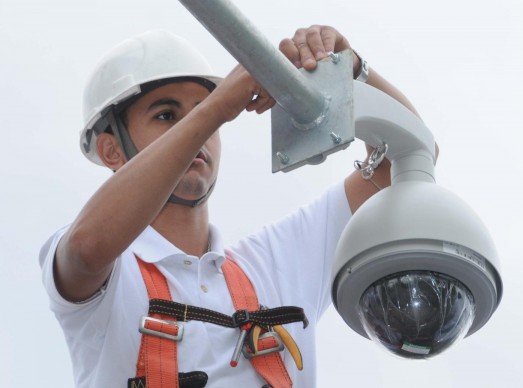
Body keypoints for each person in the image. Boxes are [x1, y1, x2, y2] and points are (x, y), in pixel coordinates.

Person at [40, 24, 424, 387]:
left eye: (201, 114)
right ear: (111, 150)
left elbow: (409, 158)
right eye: (166, 115)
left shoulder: (277, 264)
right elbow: (87, 249)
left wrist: (352, 71)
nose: (199, 132)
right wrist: (215, 109)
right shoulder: (112, 277)